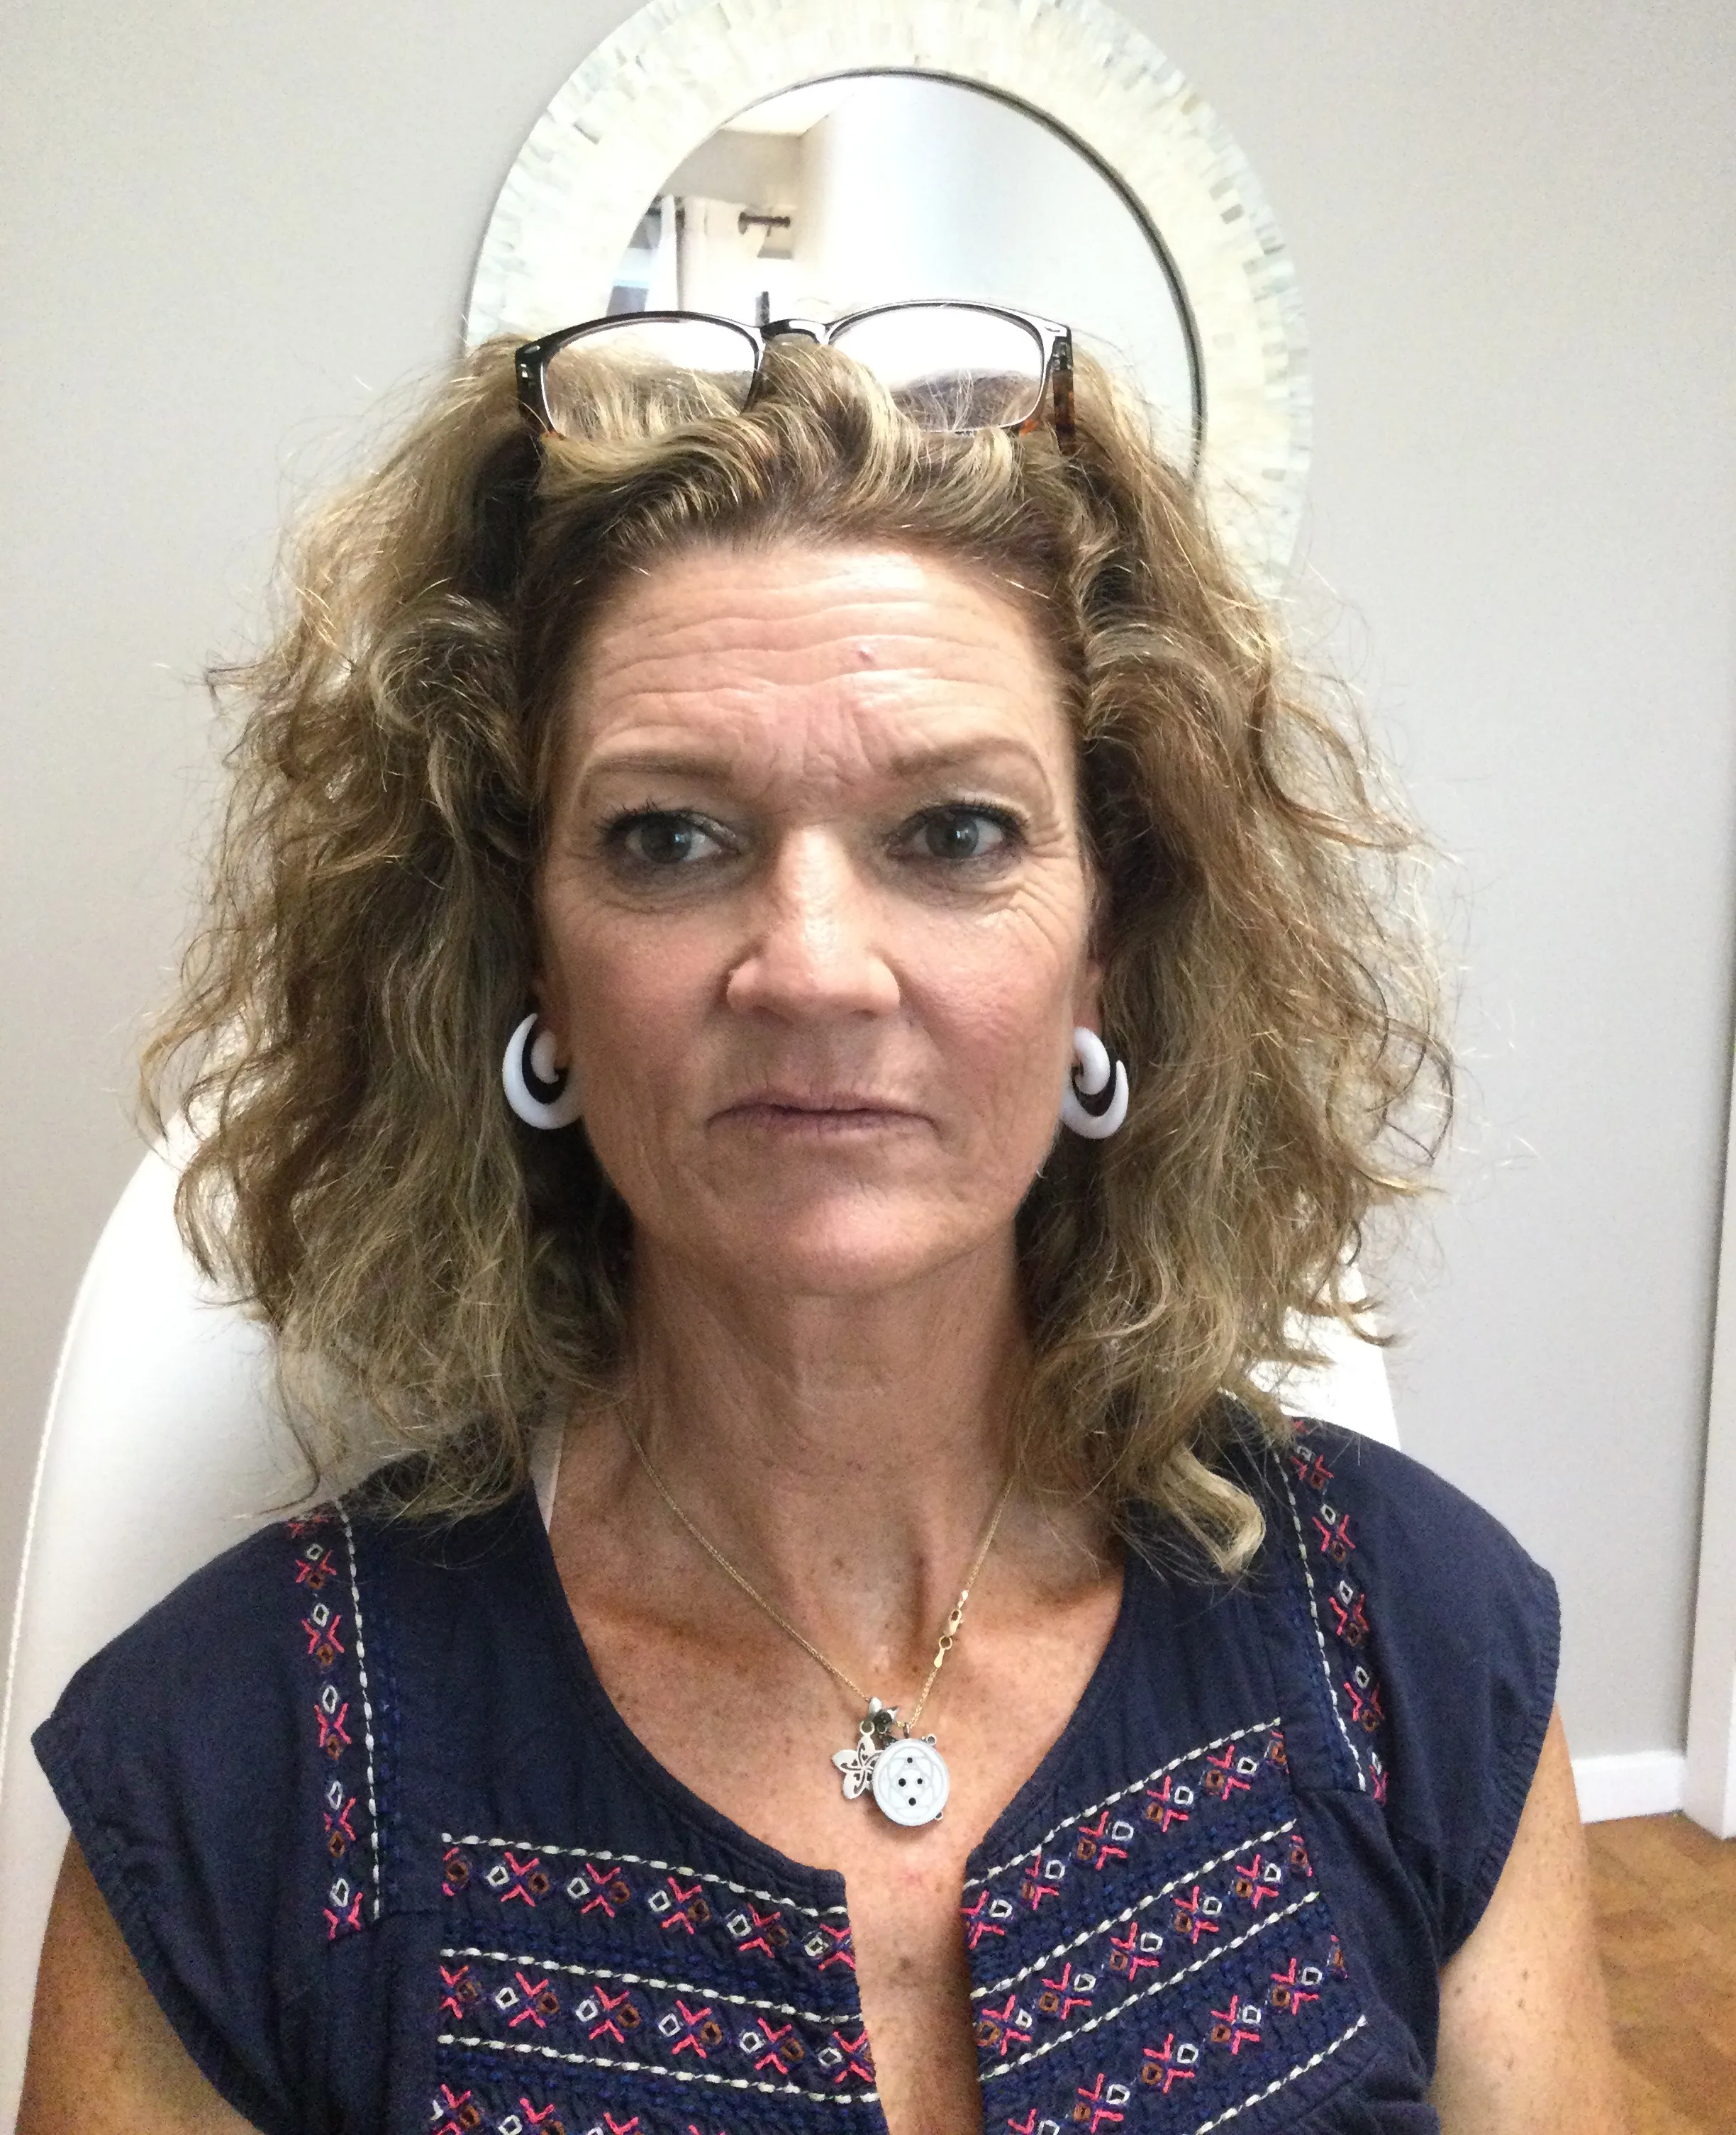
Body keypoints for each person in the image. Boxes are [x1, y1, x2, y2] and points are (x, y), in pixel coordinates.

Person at [21, 306, 1623, 2135]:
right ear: (522, 956)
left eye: (951, 834)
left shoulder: (1415, 1644)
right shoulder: (236, 1776)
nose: (812, 967)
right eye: (668, 838)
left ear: (1109, 944)